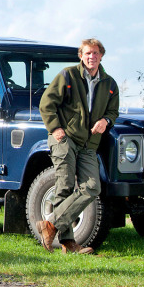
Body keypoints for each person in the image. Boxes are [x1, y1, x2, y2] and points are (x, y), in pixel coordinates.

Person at [36, 38, 119, 255]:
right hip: (65, 138)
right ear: (81, 56)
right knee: (64, 187)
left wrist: (106, 121)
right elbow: (46, 104)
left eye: (96, 53)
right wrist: (55, 128)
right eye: (88, 53)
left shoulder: (109, 83)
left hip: (89, 143)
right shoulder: (68, 75)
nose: (92, 57)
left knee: (92, 187)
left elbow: (113, 112)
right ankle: (68, 244)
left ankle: (51, 224)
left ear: (102, 56)